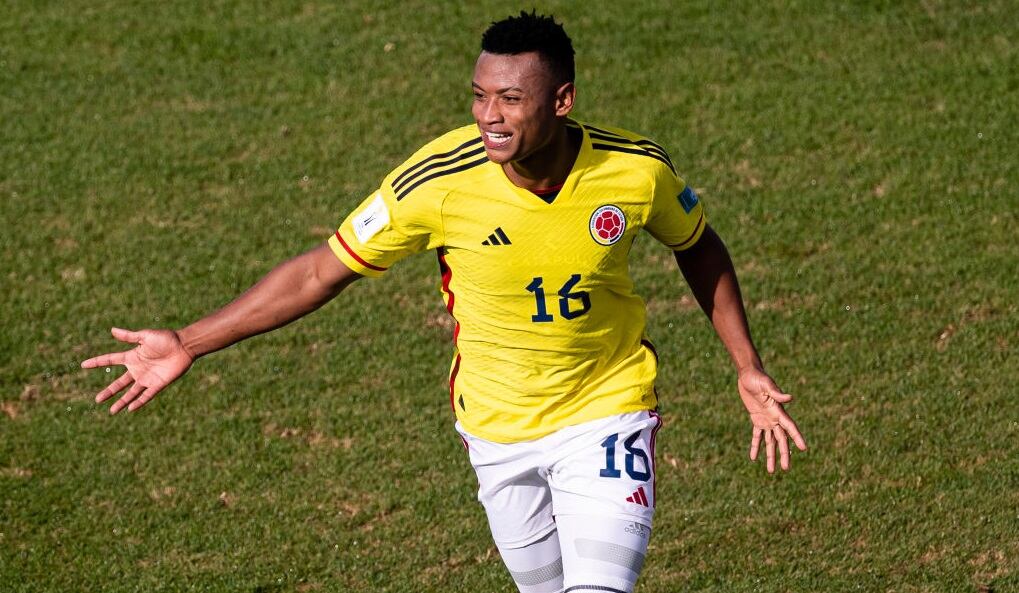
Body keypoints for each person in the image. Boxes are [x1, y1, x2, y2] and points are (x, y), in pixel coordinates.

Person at [81, 11, 806, 593]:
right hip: (495, 428)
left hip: (606, 409)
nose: (489, 115)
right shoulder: (437, 180)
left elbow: (697, 243)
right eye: (479, 94)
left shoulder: (634, 170)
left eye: (510, 99)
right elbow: (317, 273)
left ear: (562, 100)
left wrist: (745, 364)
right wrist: (190, 341)